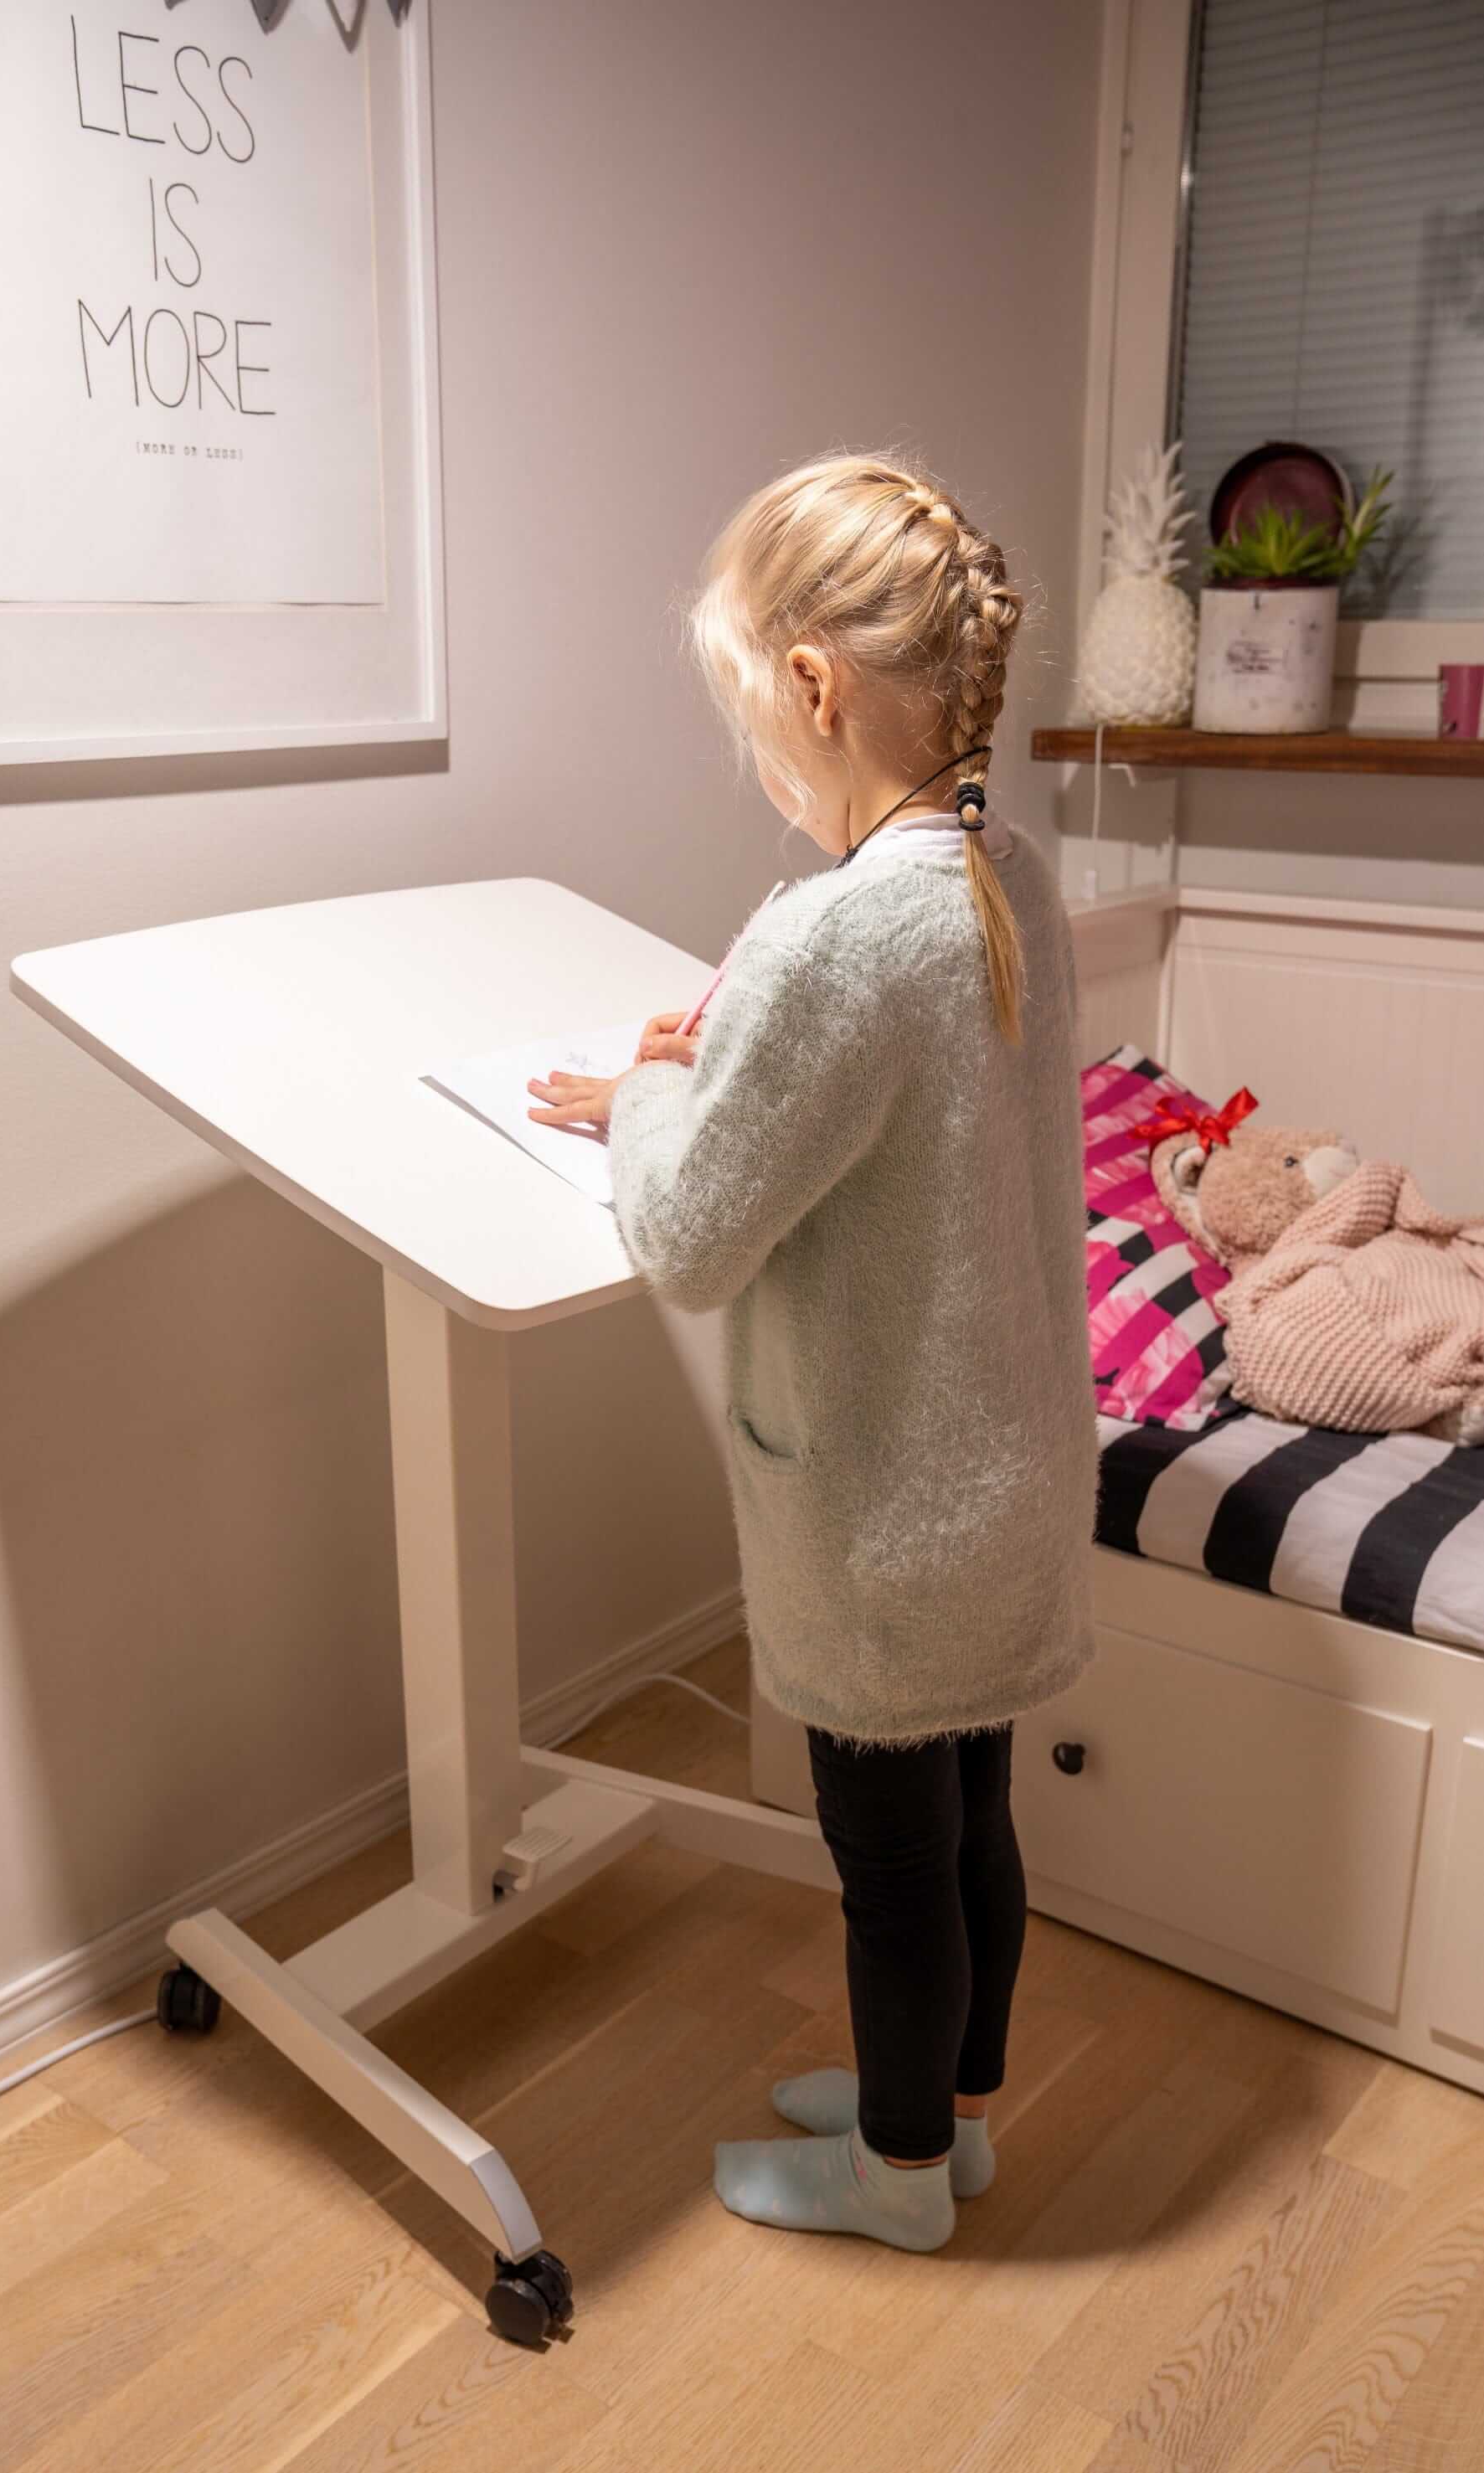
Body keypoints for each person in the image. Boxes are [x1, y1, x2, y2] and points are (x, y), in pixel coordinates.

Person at [525, 452, 1097, 2255]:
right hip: (1002, 1475)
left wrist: (649, 1092)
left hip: (886, 1508)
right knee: (973, 1817)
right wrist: (704, 1070)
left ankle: (899, 2176)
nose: (755, 763)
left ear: (816, 685)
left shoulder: (840, 930)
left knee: (888, 1870)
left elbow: (691, 1235)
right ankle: (957, 2117)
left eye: (744, 714)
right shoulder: (1007, 873)